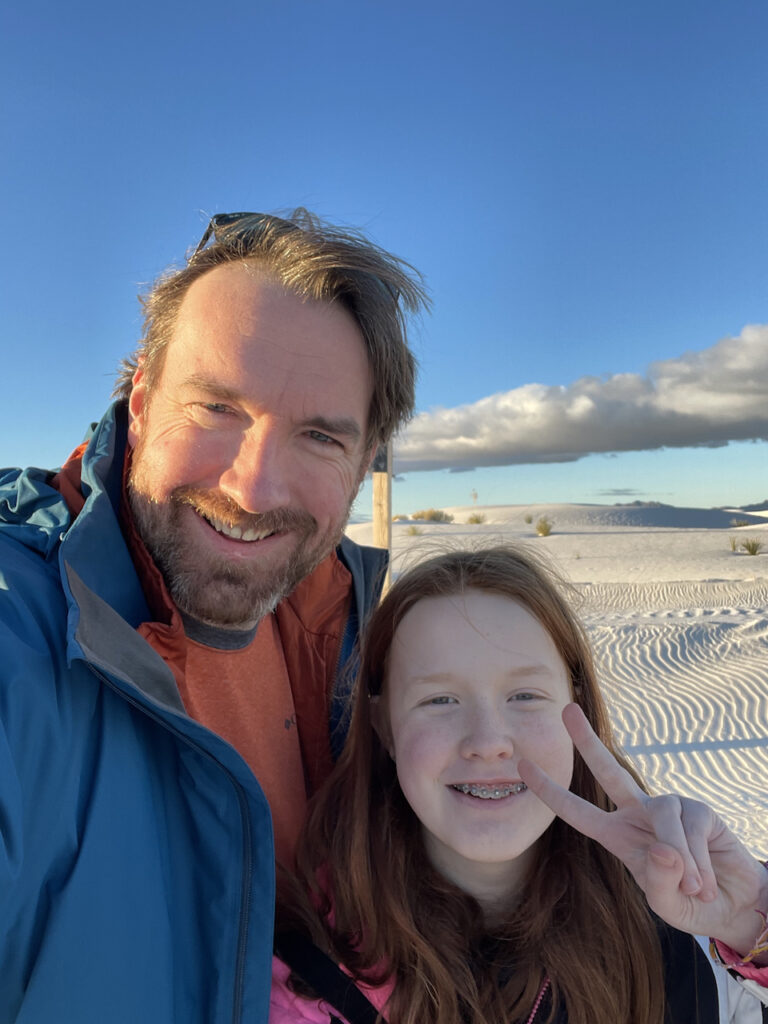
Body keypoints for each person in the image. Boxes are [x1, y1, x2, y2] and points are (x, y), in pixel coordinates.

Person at [0, 210, 428, 1023]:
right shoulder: (25, 633)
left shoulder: (348, 642)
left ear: (364, 461)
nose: (253, 489)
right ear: (140, 402)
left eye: (318, 437)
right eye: (218, 410)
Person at [271, 546, 768, 1023]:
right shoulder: (306, 974)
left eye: (526, 695)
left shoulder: (692, 929)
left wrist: (748, 923)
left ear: (578, 708)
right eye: (439, 700)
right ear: (385, 730)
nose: (489, 742)